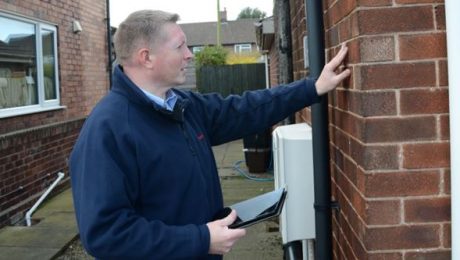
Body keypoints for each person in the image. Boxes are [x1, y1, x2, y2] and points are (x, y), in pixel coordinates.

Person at [69, 9, 350, 260]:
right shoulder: (107, 130)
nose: (189, 54)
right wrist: (201, 240)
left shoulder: (181, 105)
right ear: (147, 57)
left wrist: (312, 88)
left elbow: (244, 110)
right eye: (180, 46)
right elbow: (105, 234)